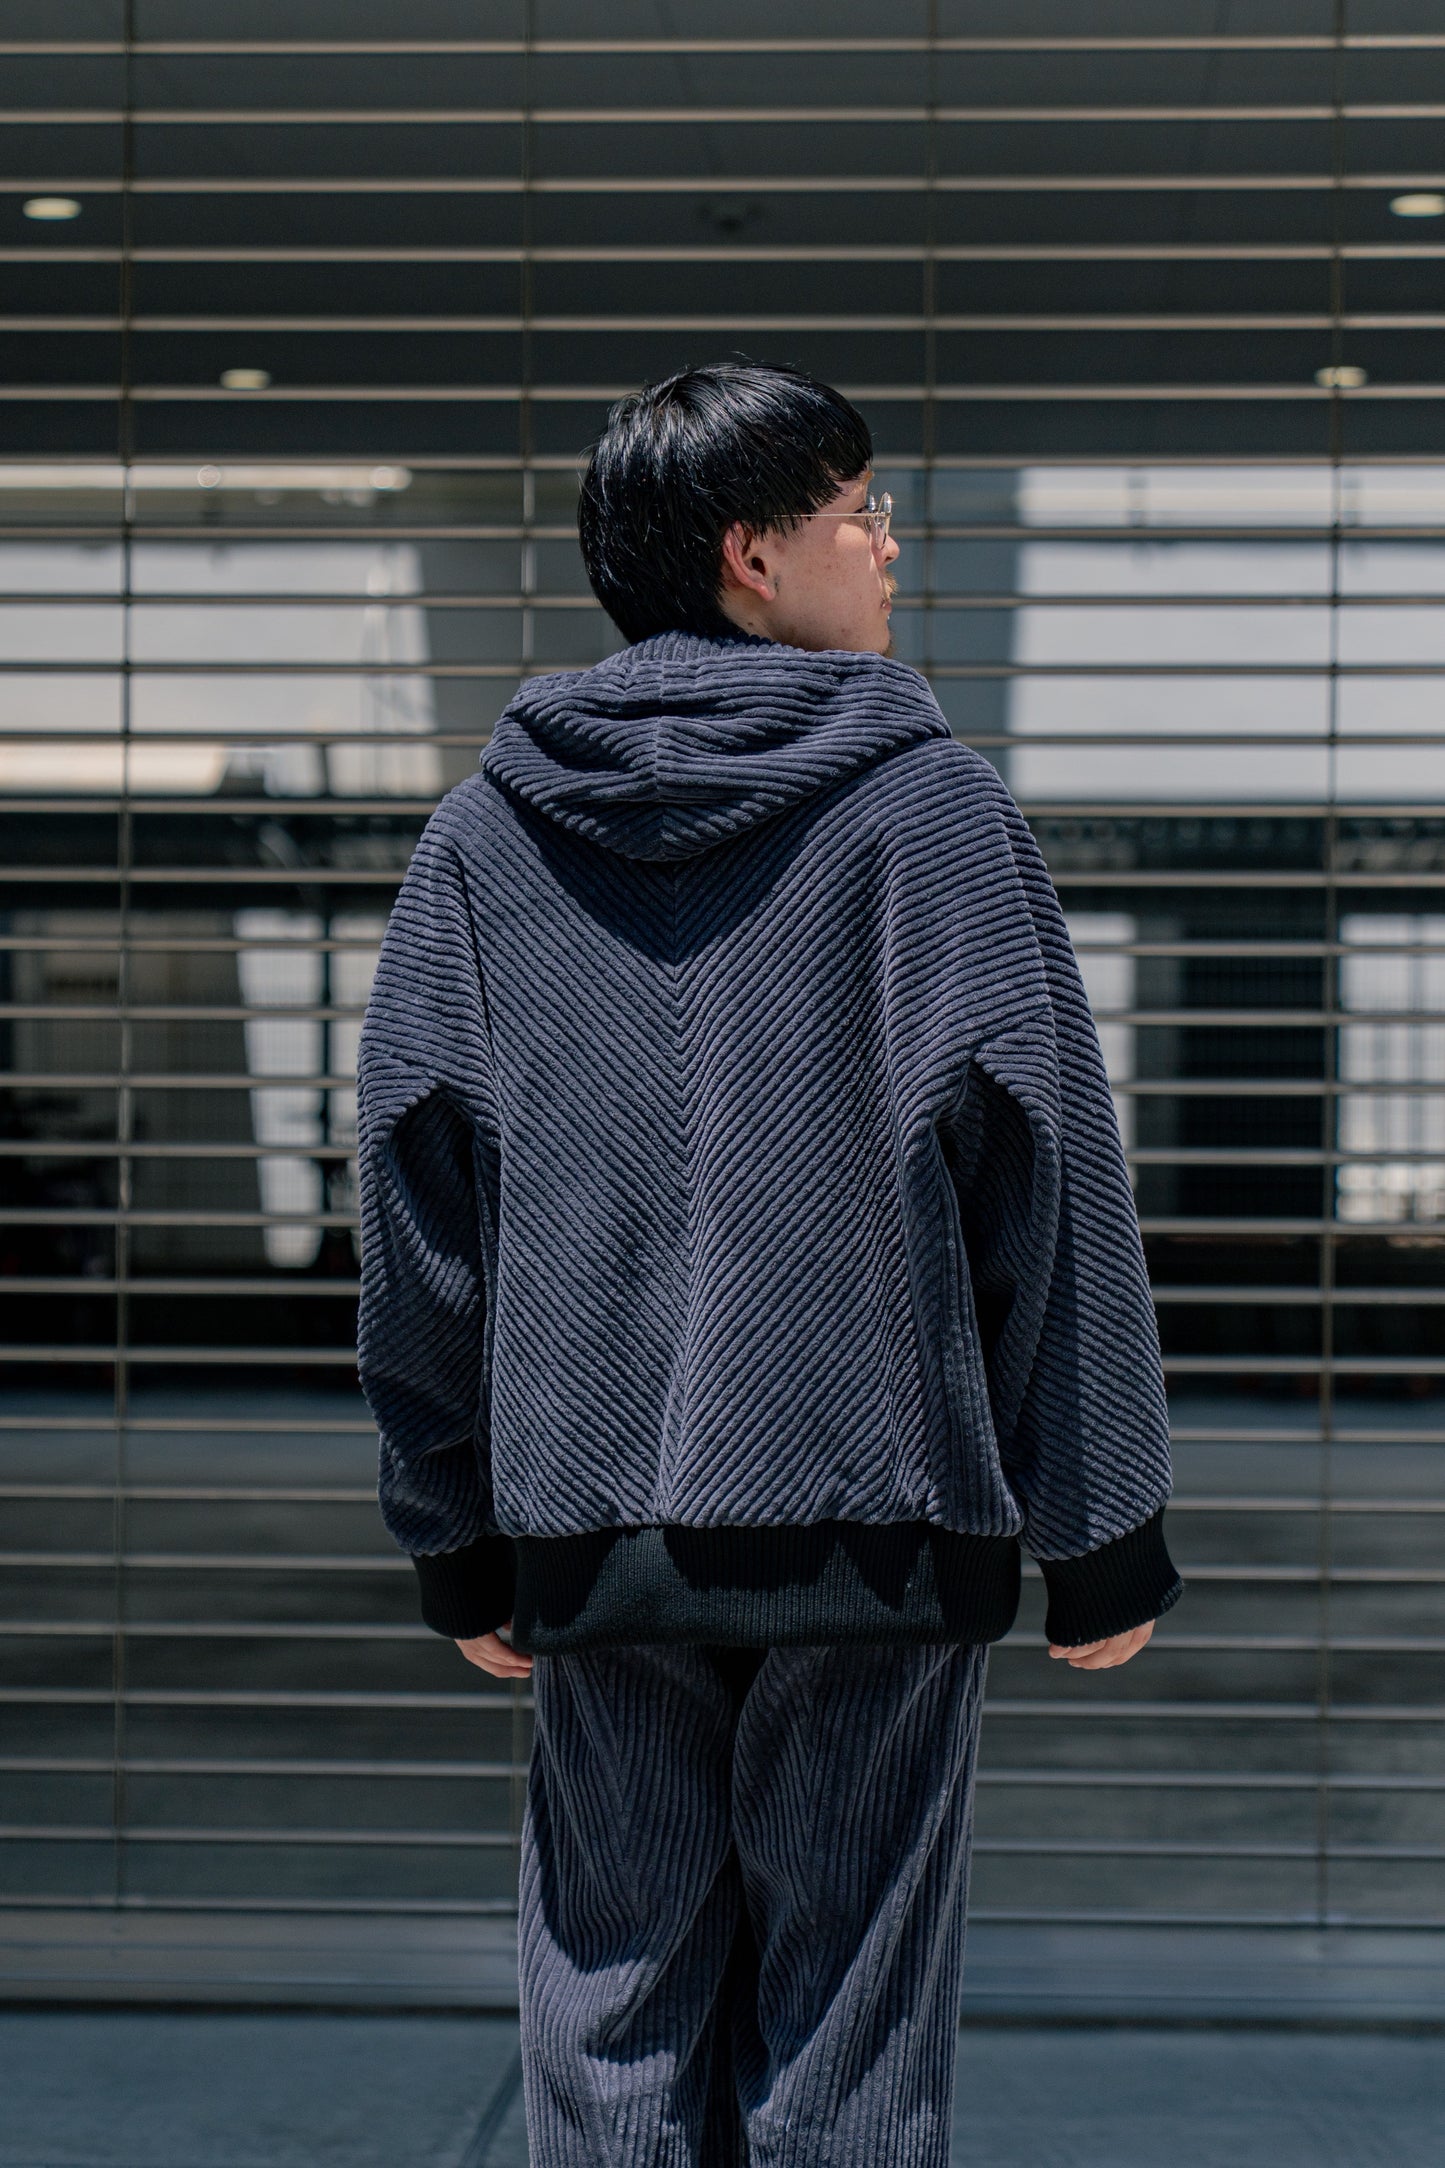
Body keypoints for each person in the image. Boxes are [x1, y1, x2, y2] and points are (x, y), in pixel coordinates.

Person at [354, 359, 1184, 2167]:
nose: (890, 547)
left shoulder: (487, 834)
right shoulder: (929, 812)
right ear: (751, 551)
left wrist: (451, 1528)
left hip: (591, 1522)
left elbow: (419, 1210)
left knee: (611, 2004)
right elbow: (1045, 1177)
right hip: (873, 1521)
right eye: (861, 512)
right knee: (845, 2034)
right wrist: (1097, 1525)